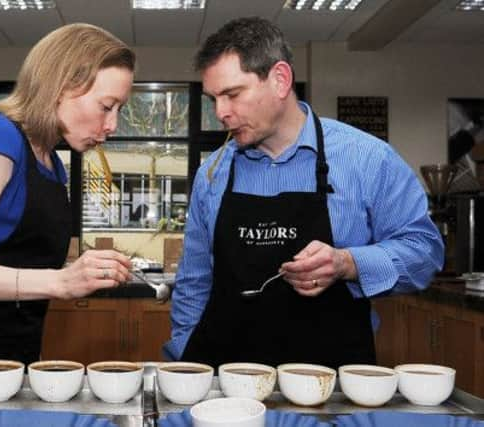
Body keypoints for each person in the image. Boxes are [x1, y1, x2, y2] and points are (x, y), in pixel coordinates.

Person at [164, 17, 444, 369]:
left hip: (332, 385)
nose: (220, 112)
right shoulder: (213, 173)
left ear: (280, 79)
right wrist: (187, 358)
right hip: (228, 385)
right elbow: (194, 282)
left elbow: (425, 252)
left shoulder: (367, 159)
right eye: (214, 99)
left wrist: (348, 263)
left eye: (233, 95)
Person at [0, 23, 135, 365]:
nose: (112, 126)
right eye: (106, 106)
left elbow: (18, 260)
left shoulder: (50, 162)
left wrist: (81, 271)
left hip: (17, 360)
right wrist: (60, 281)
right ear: (61, 88)